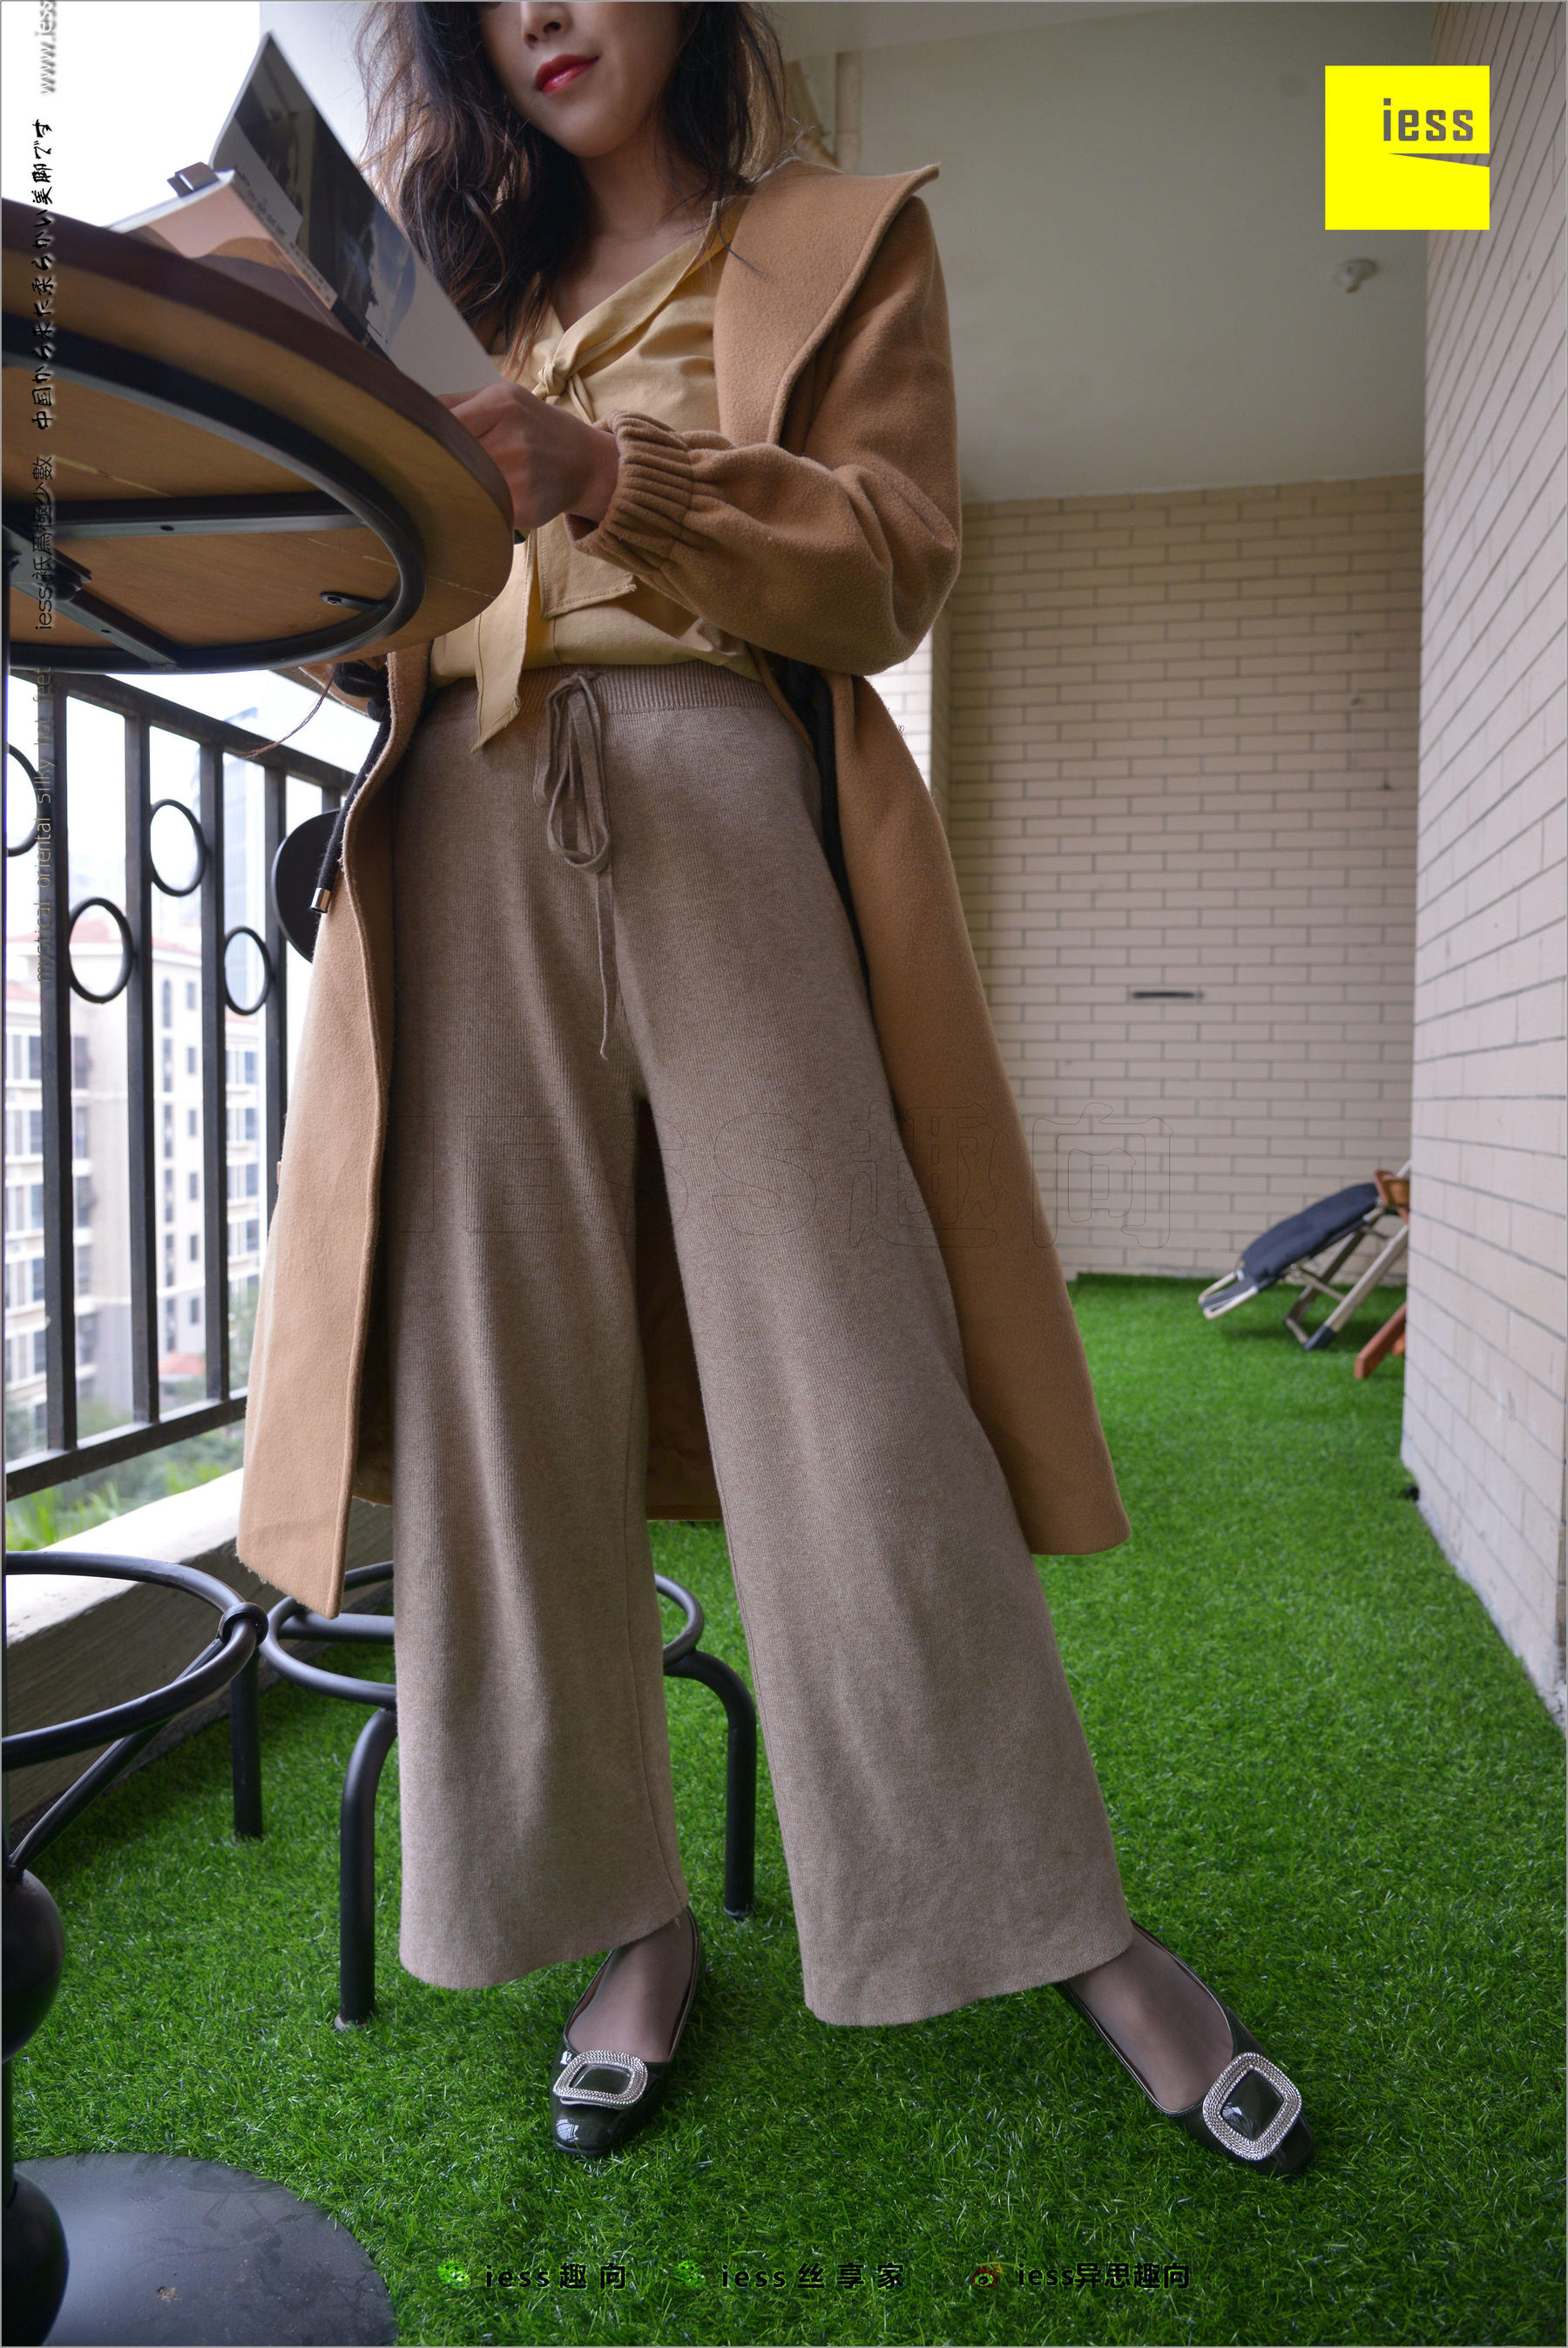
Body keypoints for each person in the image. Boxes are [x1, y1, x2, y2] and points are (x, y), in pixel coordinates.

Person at [239, 0, 1313, 2175]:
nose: (544, 14)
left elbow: (890, 564)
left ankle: (1064, 1918)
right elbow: (364, 626)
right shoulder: (457, 296)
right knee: (500, 1402)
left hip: (728, 801)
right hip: (456, 832)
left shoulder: (833, 239)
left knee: (858, 1379)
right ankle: (624, 1924)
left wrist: (608, 474)